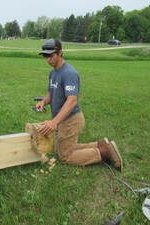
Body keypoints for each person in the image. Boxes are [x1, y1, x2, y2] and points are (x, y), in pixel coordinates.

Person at [36, 39, 123, 170]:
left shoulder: (69, 73)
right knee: (60, 149)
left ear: (60, 53)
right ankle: (101, 144)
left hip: (71, 120)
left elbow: (72, 101)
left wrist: (54, 122)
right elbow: (51, 92)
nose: (48, 59)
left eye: (51, 55)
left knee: (64, 156)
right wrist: (43, 101)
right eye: (45, 56)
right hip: (62, 119)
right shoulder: (53, 72)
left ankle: (104, 153)